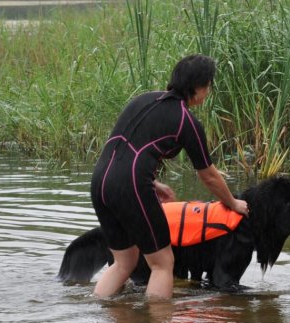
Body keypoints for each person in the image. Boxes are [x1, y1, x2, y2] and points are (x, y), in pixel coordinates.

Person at [90, 54, 249, 300]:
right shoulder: (187, 121)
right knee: (163, 263)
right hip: (131, 184)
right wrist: (233, 203)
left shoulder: (143, 99)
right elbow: (208, 175)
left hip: (99, 181)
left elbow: (122, 150)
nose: (208, 92)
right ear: (197, 87)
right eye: (208, 86)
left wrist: (151, 183)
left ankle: (97, 313)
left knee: (124, 262)